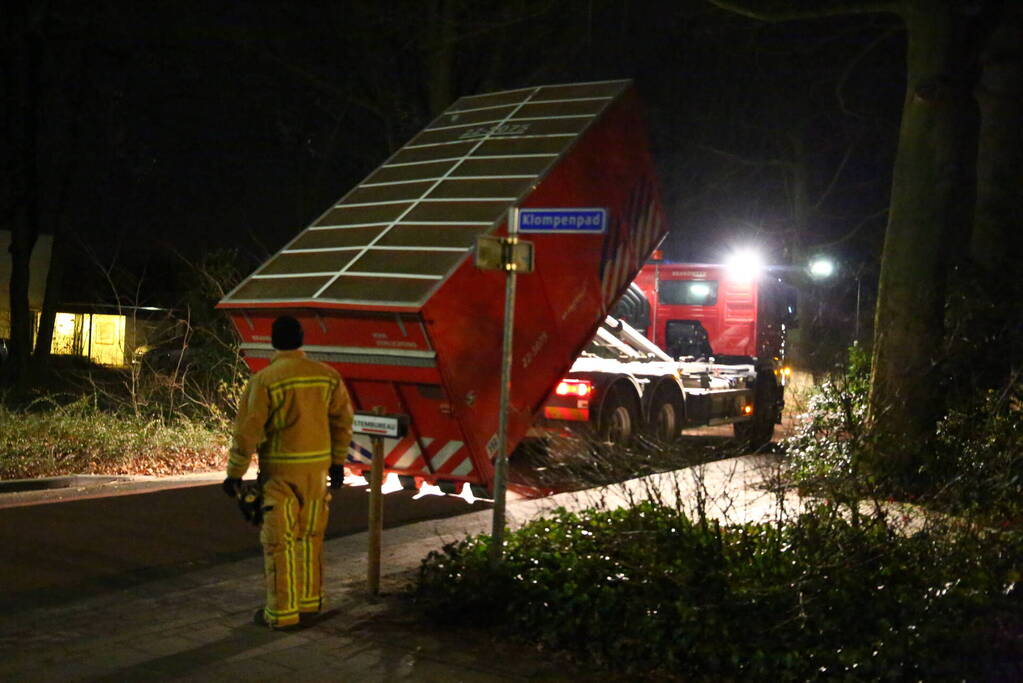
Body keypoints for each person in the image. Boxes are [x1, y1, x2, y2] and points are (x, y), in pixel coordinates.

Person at [223, 315, 354, 629]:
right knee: (310, 539)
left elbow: (247, 431)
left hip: (281, 476)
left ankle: (281, 614)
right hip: (317, 474)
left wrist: (234, 473)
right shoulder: (327, 377)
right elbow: (342, 423)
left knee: (279, 543)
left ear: (273, 342)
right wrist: (338, 464)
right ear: (302, 339)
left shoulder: (265, 380)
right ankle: (310, 604)